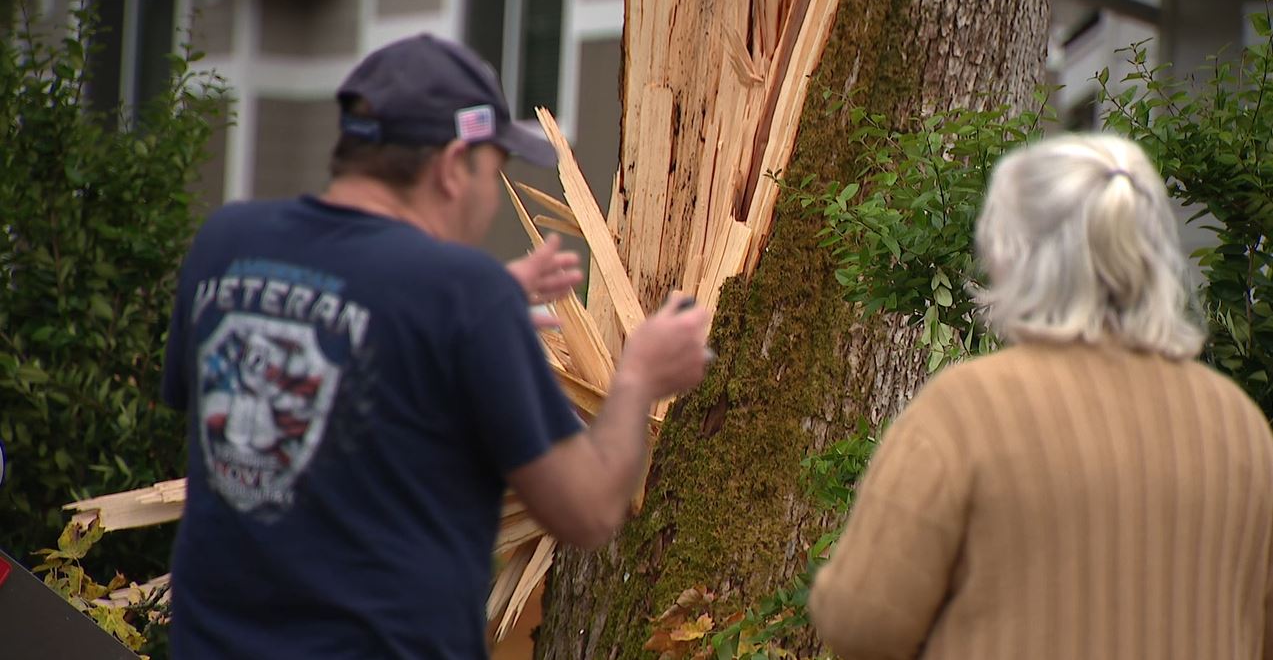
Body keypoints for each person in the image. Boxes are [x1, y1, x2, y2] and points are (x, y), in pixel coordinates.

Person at [160, 33, 711, 659]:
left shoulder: (226, 246)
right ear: (453, 166)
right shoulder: (461, 299)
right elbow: (587, 511)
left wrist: (456, 315)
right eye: (492, 171)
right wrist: (637, 377)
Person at [809, 133, 1273, 659]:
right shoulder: (1241, 426)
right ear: (1153, 256)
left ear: (1012, 255)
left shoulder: (965, 412)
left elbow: (859, 620)